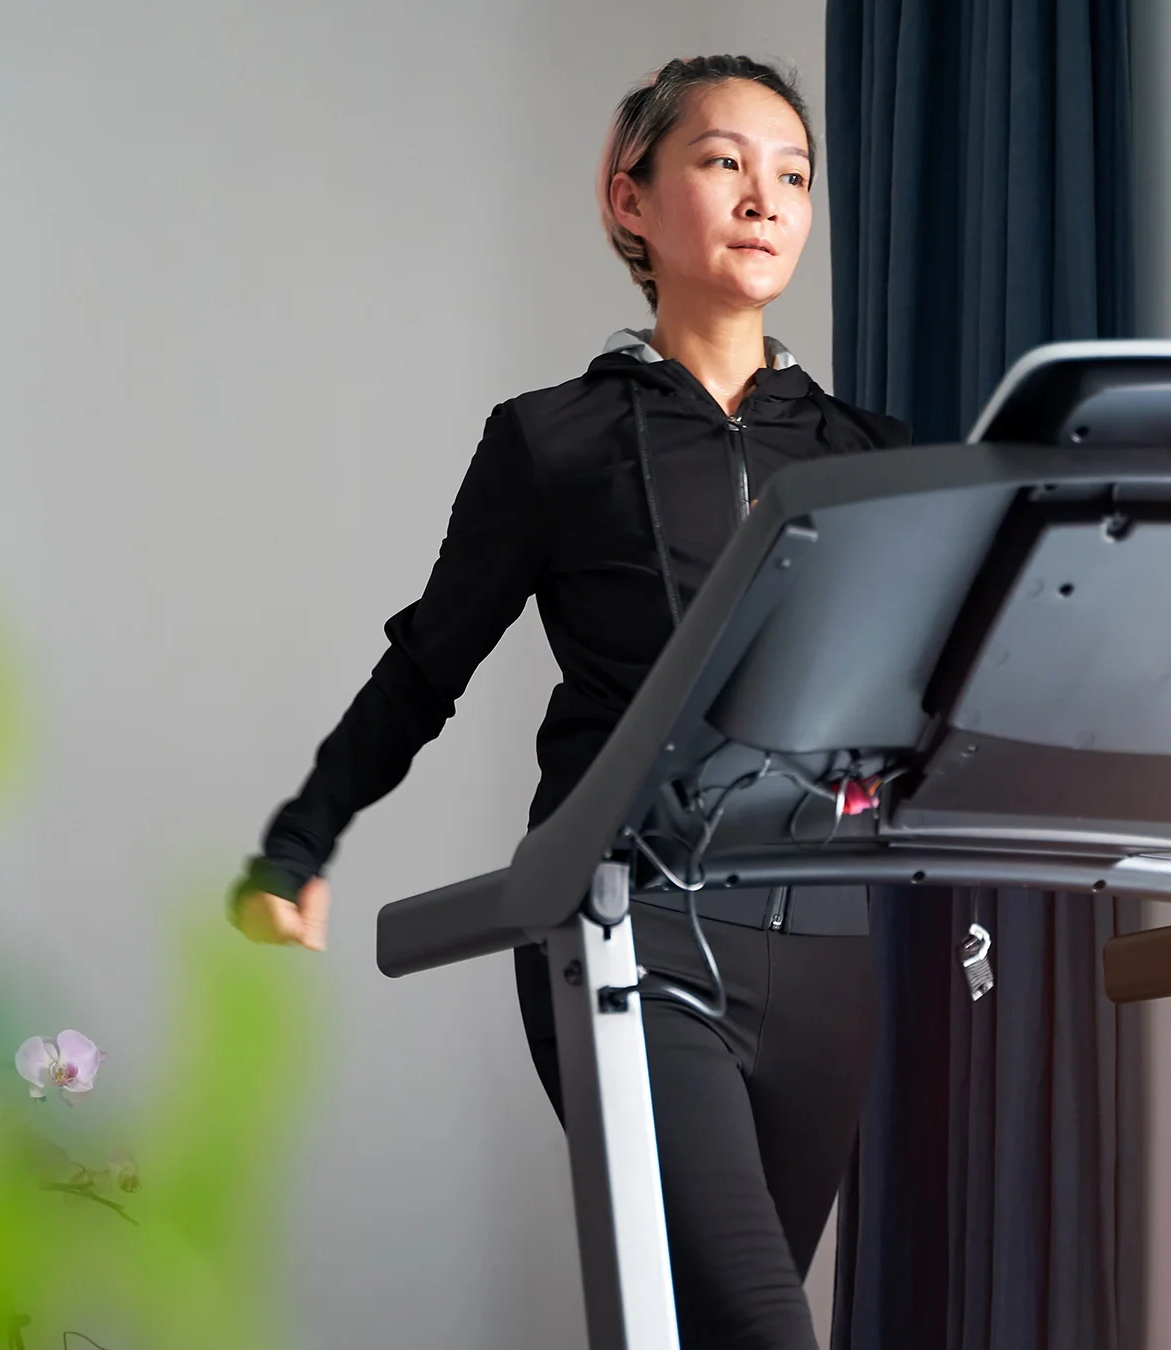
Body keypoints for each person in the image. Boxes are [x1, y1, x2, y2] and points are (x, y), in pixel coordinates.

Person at [229, 55, 910, 1349]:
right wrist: (299, 840)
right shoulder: (552, 443)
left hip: (826, 948)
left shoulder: (868, 456)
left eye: (794, 175)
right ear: (631, 200)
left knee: (697, 1333)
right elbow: (426, 663)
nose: (765, 197)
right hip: (628, 931)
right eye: (722, 162)